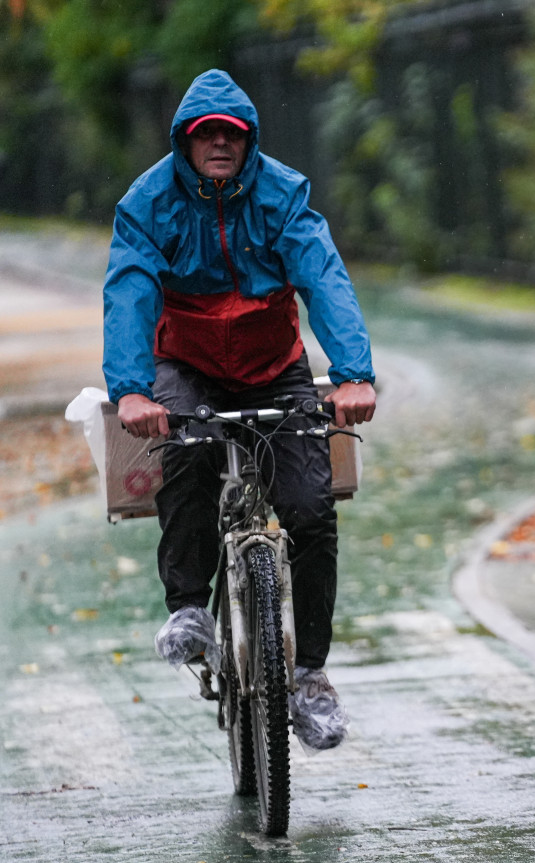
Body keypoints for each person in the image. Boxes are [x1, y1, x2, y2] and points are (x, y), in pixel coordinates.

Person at [102, 69, 376, 751]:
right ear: (185, 143)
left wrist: (353, 374)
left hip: (270, 365)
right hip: (186, 362)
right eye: (206, 134)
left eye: (232, 133)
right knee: (186, 453)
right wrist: (132, 389)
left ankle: (311, 677)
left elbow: (322, 274)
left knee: (311, 509)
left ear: (248, 140)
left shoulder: (283, 194)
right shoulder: (148, 202)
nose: (220, 143)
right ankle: (190, 607)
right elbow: (130, 289)